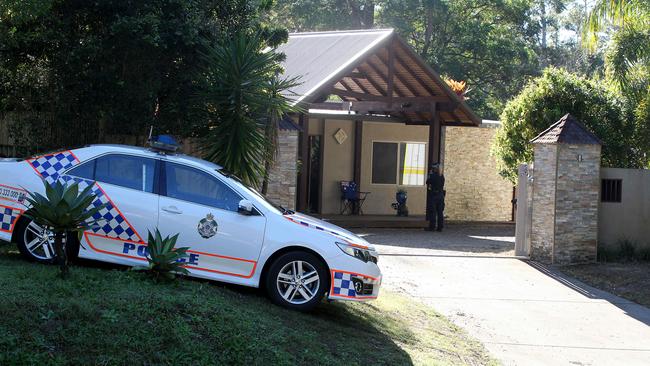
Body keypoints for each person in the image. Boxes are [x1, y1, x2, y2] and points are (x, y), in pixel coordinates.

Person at [425, 163, 445, 232]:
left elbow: (427, 182)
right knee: (440, 212)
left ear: (435, 169)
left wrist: (429, 175)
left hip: (434, 195)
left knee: (433, 212)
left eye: (433, 168)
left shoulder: (433, 176)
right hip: (441, 195)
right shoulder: (442, 176)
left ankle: (432, 227)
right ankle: (440, 227)